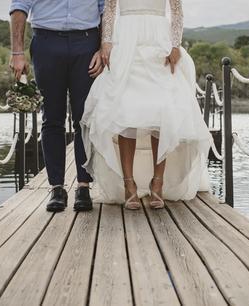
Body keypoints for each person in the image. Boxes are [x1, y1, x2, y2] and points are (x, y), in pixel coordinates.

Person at [80, 0, 213, 209]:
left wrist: (175, 45)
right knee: (125, 112)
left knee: (162, 112)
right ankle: (128, 184)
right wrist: (106, 42)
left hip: (158, 42)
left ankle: (157, 183)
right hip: (125, 43)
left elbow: (177, 10)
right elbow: (110, 8)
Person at [9, 0, 105, 212]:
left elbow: (105, 9)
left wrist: (103, 46)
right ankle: (57, 188)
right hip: (46, 42)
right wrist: (17, 52)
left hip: (87, 43)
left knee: (85, 118)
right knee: (52, 117)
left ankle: (83, 186)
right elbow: (19, 7)